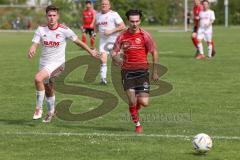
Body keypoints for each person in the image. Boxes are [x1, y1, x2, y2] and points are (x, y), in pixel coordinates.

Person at [28, 5, 98, 123]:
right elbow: (35, 43)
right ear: (46, 16)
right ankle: (51, 112)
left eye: (54, 15)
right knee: (48, 88)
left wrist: (90, 51)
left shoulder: (64, 30)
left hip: (58, 64)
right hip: (44, 63)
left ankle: (38, 109)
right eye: (49, 15)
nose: (51, 18)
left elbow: (78, 42)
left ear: (58, 16)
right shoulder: (41, 29)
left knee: (38, 78)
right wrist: (32, 48)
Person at [111, 9, 159, 134]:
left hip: (143, 72)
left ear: (140, 21)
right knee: (132, 100)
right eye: (132, 21)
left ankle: (135, 108)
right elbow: (114, 52)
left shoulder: (145, 35)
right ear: (128, 21)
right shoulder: (122, 36)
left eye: (137, 21)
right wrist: (116, 58)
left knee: (144, 102)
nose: (134, 24)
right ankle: (137, 124)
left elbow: (154, 52)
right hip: (127, 72)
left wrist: (155, 72)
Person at [95, 0, 125, 84]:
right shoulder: (98, 15)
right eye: (102, 4)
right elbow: (96, 25)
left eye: (106, 4)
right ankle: (103, 80)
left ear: (109, 6)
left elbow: (122, 26)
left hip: (114, 42)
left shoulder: (114, 14)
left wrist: (112, 31)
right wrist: (94, 32)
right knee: (102, 60)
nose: (104, 5)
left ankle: (125, 75)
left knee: (117, 62)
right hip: (103, 42)